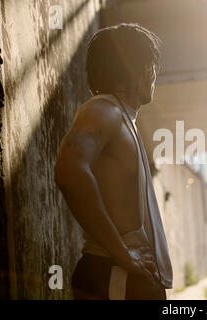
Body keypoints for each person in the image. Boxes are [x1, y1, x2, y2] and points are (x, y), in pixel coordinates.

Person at [54, 23, 172, 300]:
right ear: (141, 68)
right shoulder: (103, 110)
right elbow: (69, 171)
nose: (155, 74)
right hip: (115, 275)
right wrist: (122, 254)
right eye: (152, 65)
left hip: (124, 275)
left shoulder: (121, 117)